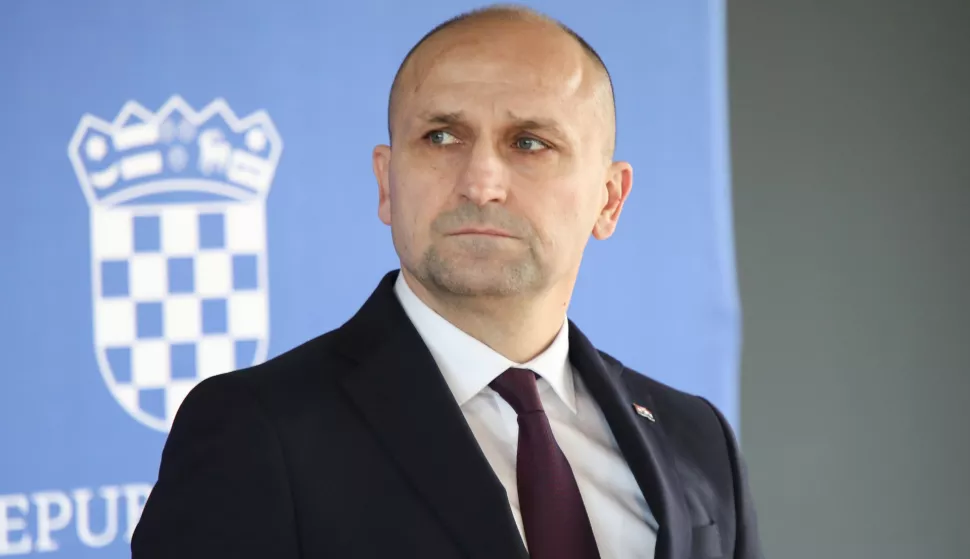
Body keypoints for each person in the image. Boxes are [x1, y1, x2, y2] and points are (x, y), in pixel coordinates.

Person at [131, 5, 763, 559]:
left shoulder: (697, 438)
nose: (481, 182)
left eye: (529, 143)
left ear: (610, 199)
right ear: (387, 183)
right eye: (441, 137)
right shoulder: (256, 431)